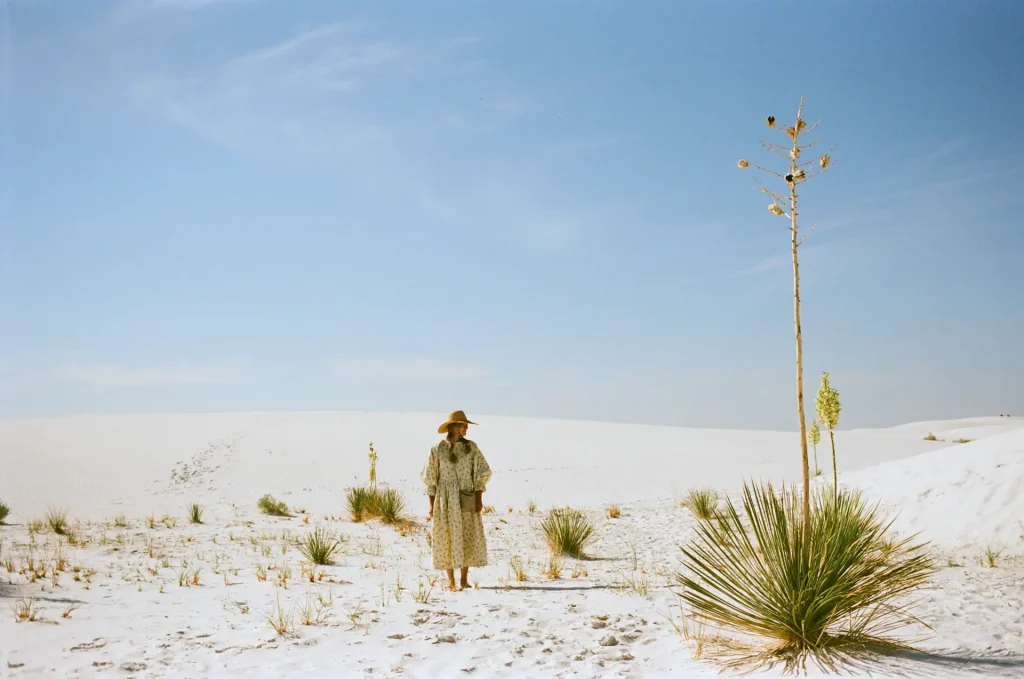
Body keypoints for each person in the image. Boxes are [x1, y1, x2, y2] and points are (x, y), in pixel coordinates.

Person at [421, 410, 492, 591]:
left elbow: (482, 472)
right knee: (447, 536)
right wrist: (431, 504)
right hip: (445, 499)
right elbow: (430, 477)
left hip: (466, 495)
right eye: (463, 425)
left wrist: (478, 498)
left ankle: (464, 579)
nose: (466, 428)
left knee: (467, 535)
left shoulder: (472, 448)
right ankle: (451, 581)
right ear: (453, 427)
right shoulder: (438, 449)